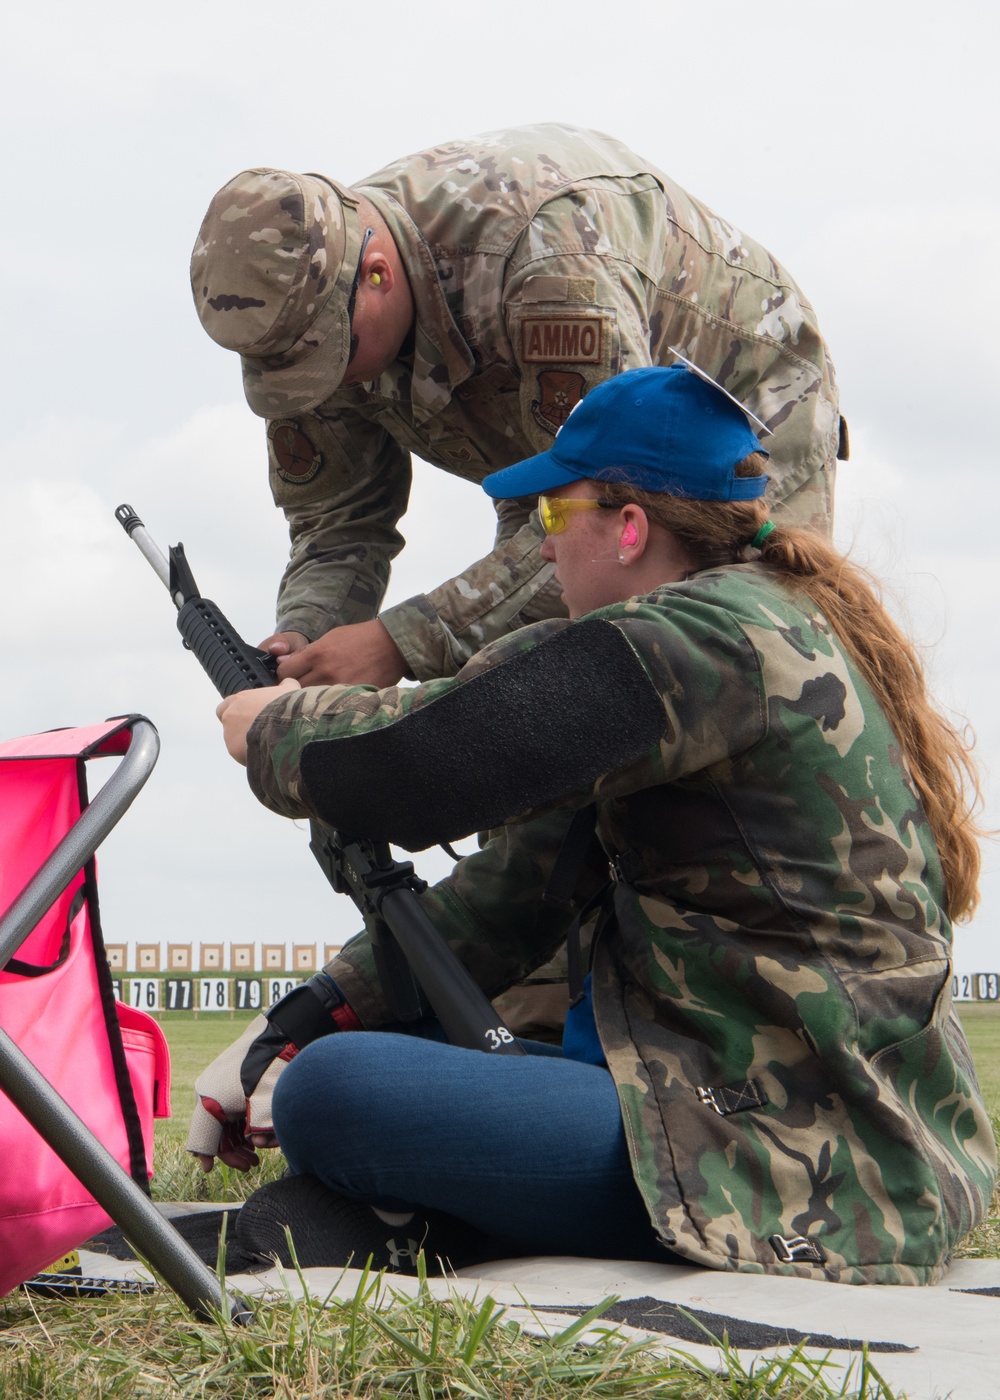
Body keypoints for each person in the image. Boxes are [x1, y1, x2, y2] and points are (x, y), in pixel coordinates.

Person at [191, 363, 994, 1285]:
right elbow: (507, 897)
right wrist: (295, 1020)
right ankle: (410, 1213)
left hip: (790, 1149)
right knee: (355, 1070)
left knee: (335, 1096)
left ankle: (418, 1210)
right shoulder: (744, 631)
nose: (542, 550)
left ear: (629, 528)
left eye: (551, 517)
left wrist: (275, 729)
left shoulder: (703, 639)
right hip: (801, 1117)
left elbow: (424, 765)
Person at [192, 124, 844, 693]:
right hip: (549, 451)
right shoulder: (300, 323)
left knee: (730, 664)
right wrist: (307, 640)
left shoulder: (546, 263)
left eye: (332, 355)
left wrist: (399, 643)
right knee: (525, 702)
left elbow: (606, 510)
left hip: (741, 409)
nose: (325, 384)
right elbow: (340, 523)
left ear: (379, 274)